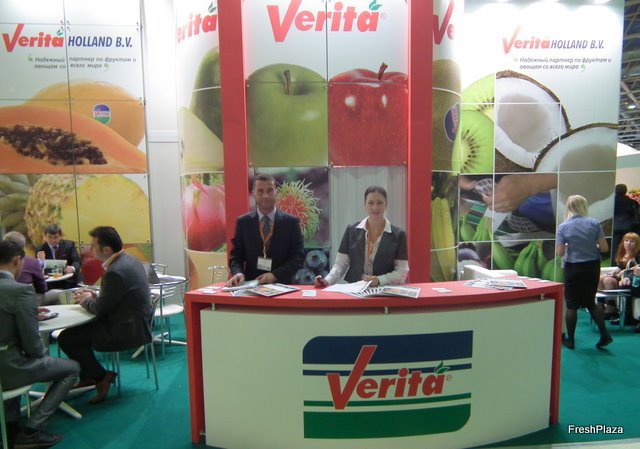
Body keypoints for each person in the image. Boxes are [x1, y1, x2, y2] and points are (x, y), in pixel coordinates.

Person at [58, 226, 152, 404]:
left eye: (93, 245)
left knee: (67, 338)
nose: (90, 248)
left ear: (106, 249)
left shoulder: (114, 271)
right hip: (136, 322)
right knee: (77, 333)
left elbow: (100, 309)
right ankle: (89, 376)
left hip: (125, 329)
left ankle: (101, 377)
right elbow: (117, 297)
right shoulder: (129, 260)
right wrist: (94, 296)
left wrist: (85, 300)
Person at [0, 240, 80, 449]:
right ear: (17, 261)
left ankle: (9, 424)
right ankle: (32, 430)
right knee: (71, 369)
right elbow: (34, 347)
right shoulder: (21, 291)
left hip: (5, 363)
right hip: (11, 368)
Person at [314, 186, 409, 288]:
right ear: (365, 205)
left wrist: (379, 280)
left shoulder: (399, 235)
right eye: (371, 203)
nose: (375, 207)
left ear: (386, 205)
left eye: (380, 203)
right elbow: (340, 265)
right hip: (354, 292)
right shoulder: (351, 230)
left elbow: (402, 272)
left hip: (384, 292)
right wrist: (327, 281)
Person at [226, 173, 304, 287]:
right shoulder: (243, 222)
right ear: (253, 193)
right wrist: (238, 273)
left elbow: (298, 258)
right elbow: (235, 257)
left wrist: (275, 275)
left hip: (282, 286)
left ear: (276, 192)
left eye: (270, 190)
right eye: (260, 191)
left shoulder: (291, 222)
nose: (265, 196)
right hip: (250, 286)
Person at [556, 195, 612, 350]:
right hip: (592, 267)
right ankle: (605, 334)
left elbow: (560, 252)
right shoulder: (594, 223)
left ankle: (571, 341)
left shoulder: (563, 227)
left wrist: (568, 245)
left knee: (572, 304)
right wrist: (592, 245)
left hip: (573, 267)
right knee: (590, 302)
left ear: (568, 207)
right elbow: (604, 248)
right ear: (584, 206)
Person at [3, 231, 62, 306]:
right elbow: (42, 288)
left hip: (4, 301)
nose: (53, 240)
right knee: (59, 294)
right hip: (25, 301)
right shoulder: (29, 260)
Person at [598, 232, 640, 320]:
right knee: (600, 278)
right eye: (626, 241)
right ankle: (600, 304)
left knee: (608, 280)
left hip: (627, 279)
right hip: (619, 277)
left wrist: (625, 270)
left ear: (636, 243)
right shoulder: (622, 253)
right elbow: (619, 268)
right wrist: (613, 272)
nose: (628, 243)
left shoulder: (637, 254)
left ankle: (611, 308)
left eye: (632, 241)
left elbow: (637, 267)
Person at [35, 224, 82, 289]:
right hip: (51, 283)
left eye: (56, 237)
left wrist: (72, 268)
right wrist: (40, 261)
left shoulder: (69, 245)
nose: (53, 240)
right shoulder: (40, 249)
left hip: (70, 280)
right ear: (45, 237)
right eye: (50, 237)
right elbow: (36, 269)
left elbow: (77, 261)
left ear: (60, 236)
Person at [611, 184, 640, 255]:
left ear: (615, 191)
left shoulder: (611, 202)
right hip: (629, 227)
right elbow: (636, 216)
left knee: (615, 247)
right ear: (626, 191)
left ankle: (615, 259)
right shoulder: (633, 202)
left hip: (614, 227)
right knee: (629, 245)